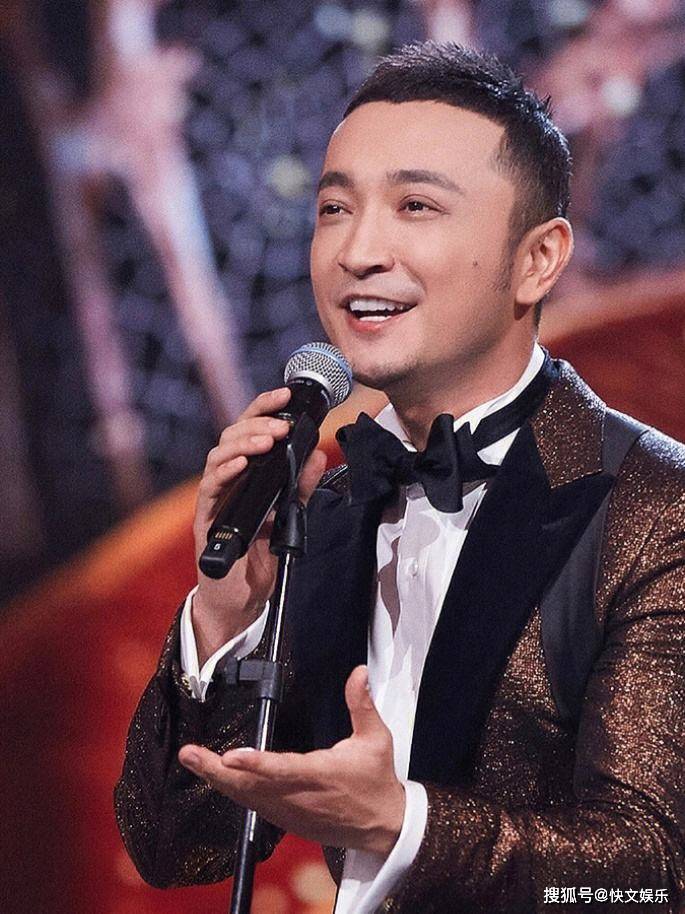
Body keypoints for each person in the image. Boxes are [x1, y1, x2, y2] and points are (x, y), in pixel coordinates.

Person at [115, 42, 685, 912]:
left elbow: (651, 874)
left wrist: (402, 826)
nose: (357, 250)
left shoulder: (654, 506)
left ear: (537, 258)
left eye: (414, 205)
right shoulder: (330, 507)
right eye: (334, 209)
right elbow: (175, 845)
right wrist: (226, 614)